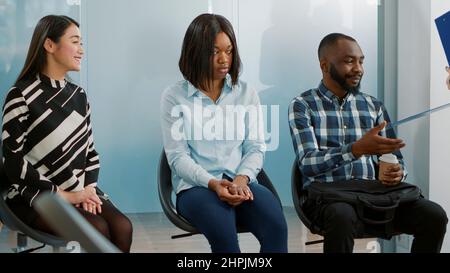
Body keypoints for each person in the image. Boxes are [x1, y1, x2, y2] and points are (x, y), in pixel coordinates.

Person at [288, 33, 448, 253]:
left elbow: (396, 161)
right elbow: (307, 163)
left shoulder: (373, 105)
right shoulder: (302, 105)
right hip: (328, 198)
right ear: (325, 66)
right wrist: (355, 150)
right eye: (349, 61)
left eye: (361, 61)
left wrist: (396, 172)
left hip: (373, 197)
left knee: (434, 215)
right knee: (342, 216)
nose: (358, 68)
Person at [1, 15, 132, 252]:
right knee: (98, 229)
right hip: (35, 197)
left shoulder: (78, 95)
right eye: (75, 41)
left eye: (82, 43)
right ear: (49, 45)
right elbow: (12, 162)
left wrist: (88, 191)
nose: (81, 50)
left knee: (123, 226)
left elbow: (91, 153)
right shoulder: (20, 95)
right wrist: (69, 196)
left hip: (78, 187)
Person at [160, 13, 288, 253]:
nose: (223, 59)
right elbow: (177, 158)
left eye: (229, 51)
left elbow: (255, 147)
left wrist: (241, 179)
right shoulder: (173, 97)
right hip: (196, 187)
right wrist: (212, 183)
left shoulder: (246, 93)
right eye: (214, 52)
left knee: (277, 227)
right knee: (224, 235)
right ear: (195, 52)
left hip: (240, 181)